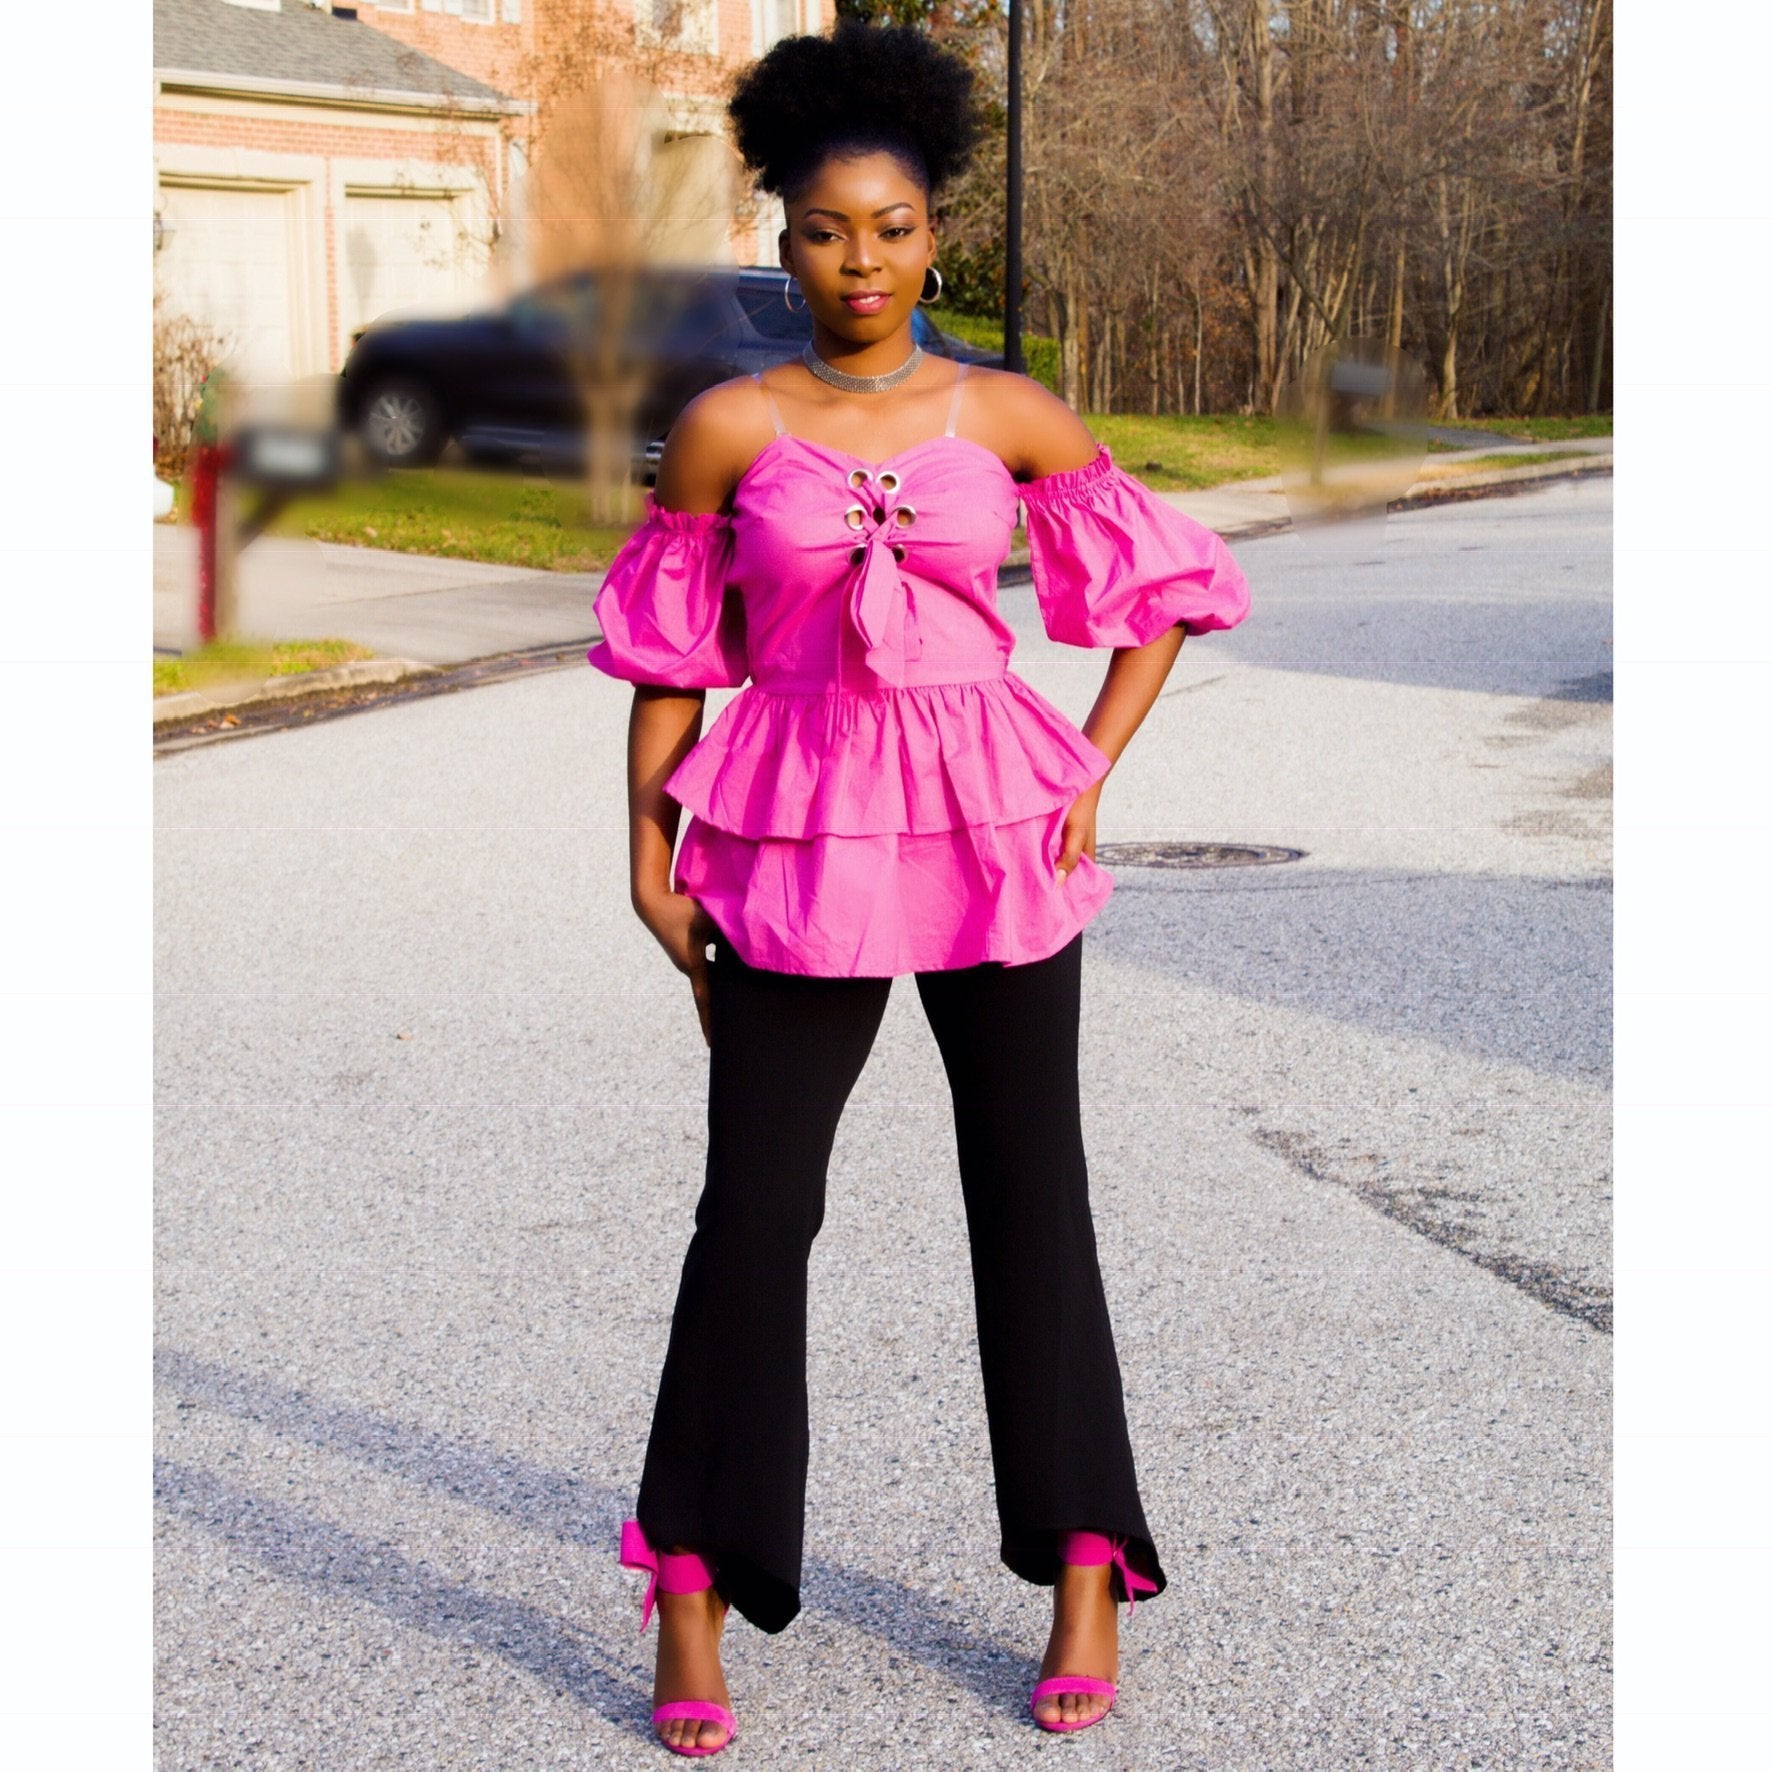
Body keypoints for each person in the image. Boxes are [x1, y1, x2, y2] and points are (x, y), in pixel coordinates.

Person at [586, 19, 1250, 1757]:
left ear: (933, 235)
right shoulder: (724, 429)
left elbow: (1161, 593)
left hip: (992, 833)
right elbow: (671, 662)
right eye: (825, 231)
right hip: (795, 838)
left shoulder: (1007, 411)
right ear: (784, 239)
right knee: (755, 1209)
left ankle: (1087, 1564)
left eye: (890, 228)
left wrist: (1088, 767)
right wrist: (648, 857)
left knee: (1031, 1193)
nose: (860, 260)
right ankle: (690, 1577)